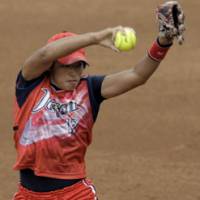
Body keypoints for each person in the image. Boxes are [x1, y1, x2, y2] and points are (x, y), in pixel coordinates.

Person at [12, 1, 185, 200]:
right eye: (68, 66)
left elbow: (137, 75)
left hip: (75, 194)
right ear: (51, 66)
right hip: (29, 195)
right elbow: (44, 54)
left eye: (79, 66)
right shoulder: (30, 85)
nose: (74, 73)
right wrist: (96, 37)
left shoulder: (89, 89)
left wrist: (163, 42)